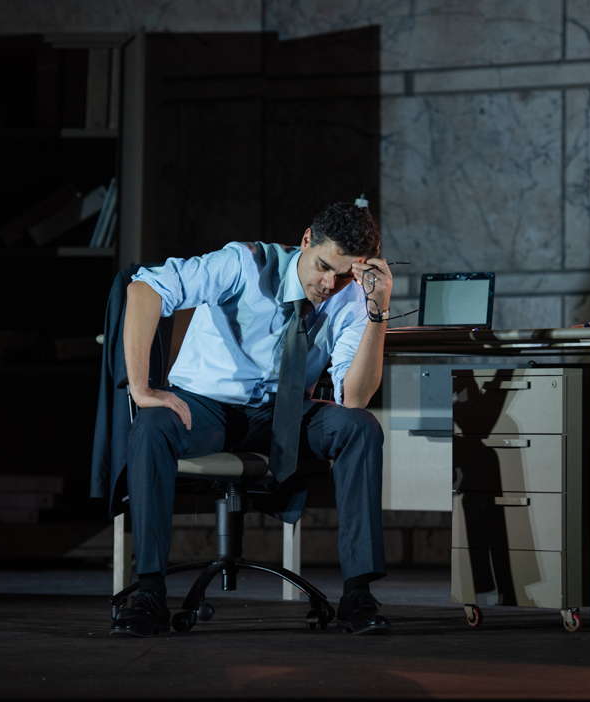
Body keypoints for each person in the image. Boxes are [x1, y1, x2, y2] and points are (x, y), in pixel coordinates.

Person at [110, 201, 392, 636]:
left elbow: (353, 397)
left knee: (360, 427)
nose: (327, 283)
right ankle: (148, 590)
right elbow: (144, 289)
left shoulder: (351, 297)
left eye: (342, 275)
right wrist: (142, 387)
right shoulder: (242, 263)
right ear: (305, 242)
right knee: (151, 426)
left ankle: (359, 594)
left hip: (286, 414)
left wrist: (378, 309)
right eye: (322, 267)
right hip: (207, 406)